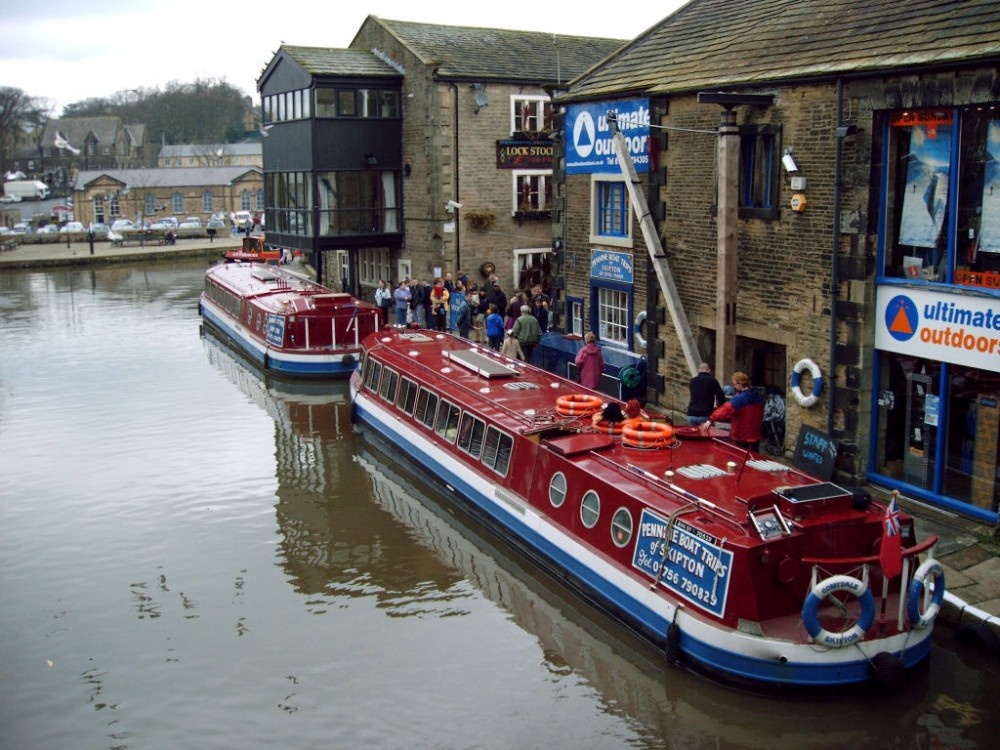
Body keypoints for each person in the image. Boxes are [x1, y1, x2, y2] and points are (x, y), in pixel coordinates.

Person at [702, 371, 765, 451]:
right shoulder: (758, 396)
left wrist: (711, 419)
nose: (734, 387)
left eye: (735, 384)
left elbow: (725, 410)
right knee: (753, 459)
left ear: (740, 384)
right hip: (755, 435)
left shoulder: (739, 399)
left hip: (742, 436)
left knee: (740, 458)